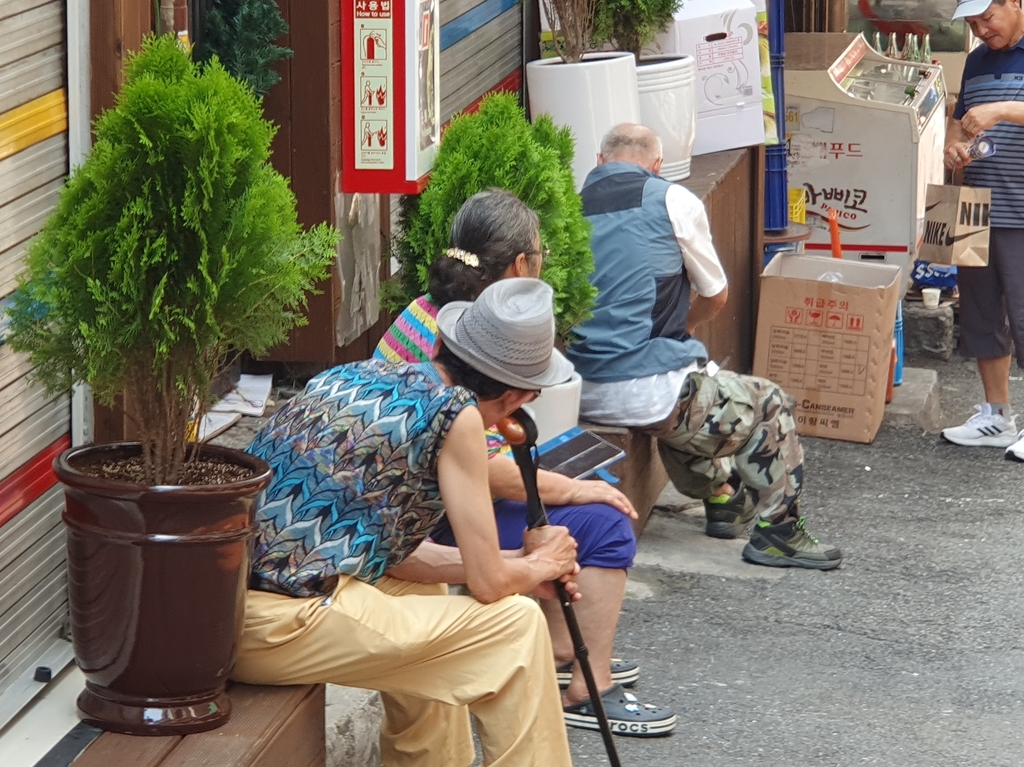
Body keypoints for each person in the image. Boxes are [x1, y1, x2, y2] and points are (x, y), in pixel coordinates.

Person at [232, 278, 581, 766]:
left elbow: (398, 558)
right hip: (273, 625)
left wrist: (519, 559)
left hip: (227, 607)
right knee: (515, 627)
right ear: (518, 398)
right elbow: (490, 585)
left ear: (442, 345)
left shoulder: (356, 374)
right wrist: (543, 563)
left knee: (421, 596)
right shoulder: (455, 414)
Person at [375, 188, 675, 736]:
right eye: (540, 257)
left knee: (582, 487)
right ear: (520, 266)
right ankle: (585, 681)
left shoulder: (419, 313)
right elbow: (480, 467)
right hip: (427, 510)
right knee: (606, 517)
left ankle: (560, 651)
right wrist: (571, 489)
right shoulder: (479, 337)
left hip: (412, 498)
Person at [566, 123, 843, 569]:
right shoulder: (673, 200)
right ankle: (780, 532)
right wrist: (683, 327)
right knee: (768, 402)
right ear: (657, 165)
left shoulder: (565, 209)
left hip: (580, 390)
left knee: (693, 386)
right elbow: (715, 295)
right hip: (646, 392)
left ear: (599, 162)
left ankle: (723, 498)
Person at [941, 0, 1024, 462]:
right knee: (981, 316)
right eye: (971, 23)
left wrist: (1005, 109)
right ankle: (997, 415)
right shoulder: (975, 59)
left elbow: (994, 113)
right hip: (977, 206)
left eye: (986, 18)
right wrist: (955, 149)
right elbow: (959, 124)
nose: (979, 30)